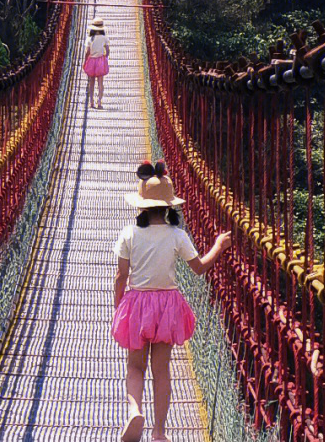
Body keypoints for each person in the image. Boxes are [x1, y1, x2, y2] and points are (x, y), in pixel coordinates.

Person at [112, 161, 231, 442]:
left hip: (137, 304)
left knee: (135, 367)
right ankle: (159, 432)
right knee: (161, 370)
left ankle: (134, 411)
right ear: (169, 207)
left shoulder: (129, 233)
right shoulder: (177, 235)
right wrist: (218, 245)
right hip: (166, 307)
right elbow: (200, 267)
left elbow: (121, 275)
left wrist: (119, 305)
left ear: (140, 205)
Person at [83, 17, 109, 108]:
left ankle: (91, 102)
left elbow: (87, 52)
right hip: (101, 60)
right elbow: (108, 50)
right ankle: (99, 102)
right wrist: (105, 58)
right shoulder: (104, 38)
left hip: (91, 60)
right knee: (100, 83)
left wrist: (85, 61)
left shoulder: (89, 39)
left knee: (91, 82)